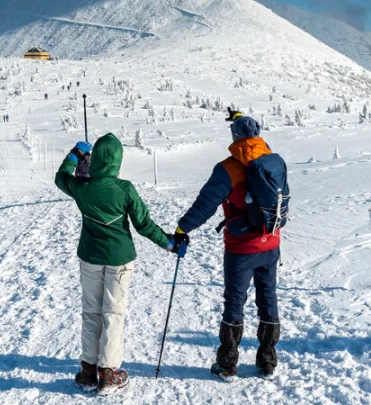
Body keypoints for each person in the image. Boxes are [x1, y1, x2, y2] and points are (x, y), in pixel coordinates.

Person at [55, 134, 182, 395]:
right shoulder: (125, 189)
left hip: (90, 256)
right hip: (120, 260)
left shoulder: (82, 187)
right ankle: (109, 374)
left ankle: (89, 372)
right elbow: (144, 225)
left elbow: (60, 177)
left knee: (91, 312)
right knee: (113, 314)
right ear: (117, 161)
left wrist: (75, 155)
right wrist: (168, 244)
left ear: (97, 159)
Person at [173, 110, 282, 378]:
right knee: (268, 298)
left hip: (241, 248)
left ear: (234, 137)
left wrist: (182, 228)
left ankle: (227, 363)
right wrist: (242, 118)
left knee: (235, 301)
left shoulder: (227, 169)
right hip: (270, 243)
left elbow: (205, 205)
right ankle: (267, 361)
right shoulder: (271, 160)